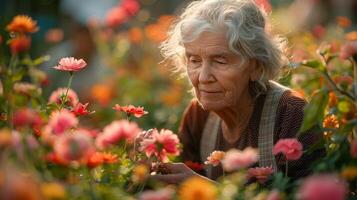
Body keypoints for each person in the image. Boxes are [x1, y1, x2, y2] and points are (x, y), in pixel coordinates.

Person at [153, 0, 324, 184]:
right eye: (194, 60)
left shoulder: (290, 114)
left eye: (220, 61)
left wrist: (208, 189)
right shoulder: (197, 117)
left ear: (256, 66)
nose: (203, 77)